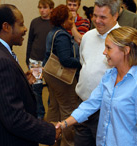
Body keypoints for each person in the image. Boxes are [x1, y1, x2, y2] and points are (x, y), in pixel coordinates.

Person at [0, 4, 60, 146]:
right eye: (21, 24)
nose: (25, 29)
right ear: (6, 27)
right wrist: (49, 131)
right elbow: (14, 118)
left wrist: (21, 81)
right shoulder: (0, 61)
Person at [56, 26, 137, 146]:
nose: (104, 52)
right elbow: (90, 104)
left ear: (126, 50)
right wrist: (63, 124)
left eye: (108, 48)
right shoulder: (109, 76)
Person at [74, 0, 137, 145]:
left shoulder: (128, 41)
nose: (97, 20)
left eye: (103, 17)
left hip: (109, 111)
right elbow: (84, 64)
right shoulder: (87, 37)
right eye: (95, 15)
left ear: (115, 15)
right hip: (84, 105)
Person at [43, 4, 81, 146]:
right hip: (61, 78)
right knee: (68, 109)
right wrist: (81, 63)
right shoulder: (62, 36)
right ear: (63, 19)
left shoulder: (53, 32)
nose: (72, 22)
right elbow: (65, 60)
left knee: (54, 107)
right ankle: (68, 142)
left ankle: (52, 139)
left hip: (50, 75)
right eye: (70, 19)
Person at [26, 0, 54, 120]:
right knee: (36, 89)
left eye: (45, 7)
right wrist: (28, 59)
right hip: (36, 60)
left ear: (51, 9)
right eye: (40, 7)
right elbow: (30, 41)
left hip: (50, 62)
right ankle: (39, 114)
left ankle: (51, 114)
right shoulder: (35, 22)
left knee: (52, 89)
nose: (42, 10)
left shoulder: (55, 23)